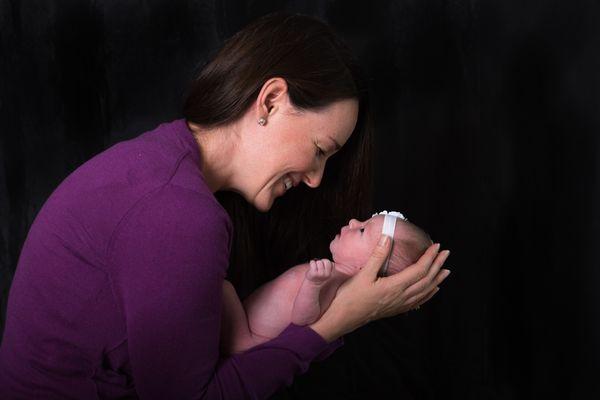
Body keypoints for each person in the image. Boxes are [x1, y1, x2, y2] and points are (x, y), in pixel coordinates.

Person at [0, 11, 451, 399]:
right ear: (271, 102)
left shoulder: (164, 165)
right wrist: (333, 325)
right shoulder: (178, 212)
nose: (316, 179)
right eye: (319, 149)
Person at [220, 211, 447, 355]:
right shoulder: (336, 278)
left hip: (249, 342)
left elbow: (303, 320)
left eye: (361, 230)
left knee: (221, 286)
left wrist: (313, 285)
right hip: (247, 323)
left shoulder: (334, 285)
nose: (352, 221)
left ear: (369, 265)